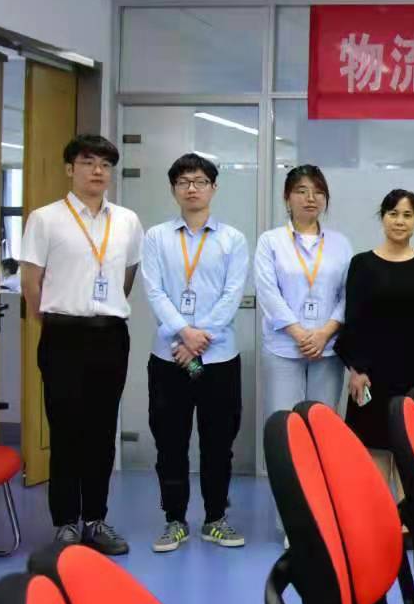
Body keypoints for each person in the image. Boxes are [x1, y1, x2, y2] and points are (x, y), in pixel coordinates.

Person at [20, 133, 143, 554]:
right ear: (70, 168)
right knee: (66, 431)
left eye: (105, 165)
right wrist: (55, 318)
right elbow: (31, 282)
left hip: (110, 336)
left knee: (102, 432)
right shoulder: (45, 219)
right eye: (88, 162)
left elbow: (127, 276)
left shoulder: (126, 220)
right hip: (63, 336)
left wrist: (103, 310)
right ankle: (65, 523)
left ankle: (95, 519)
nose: (97, 171)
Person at [140, 154, 249, 553]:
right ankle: (174, 520)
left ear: (213, 188)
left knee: (218, 443)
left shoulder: (232, 239)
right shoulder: (156, 237)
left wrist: (199, 338)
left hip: (217, 360)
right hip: (170, 359)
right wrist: (185, 334)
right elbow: (154, 291)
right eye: (184, 181)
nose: (192, 188)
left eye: (200, 181)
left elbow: (232, 294)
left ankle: (215, 519)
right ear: (173, 189)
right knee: (170, 442)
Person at [340, 189, 414, 500]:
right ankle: (380, 517)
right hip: (373, 372)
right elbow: (353, 318)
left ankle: (408, 518)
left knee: (412, 447)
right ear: (383, 217)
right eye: (393, 214)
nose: (400, 221)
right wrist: (356, 369)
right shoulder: (362, 264)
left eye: (407, 215)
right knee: (374, 448)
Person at [255, 165, 352, 420]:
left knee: (323, 423)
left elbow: (348, 295)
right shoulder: (271, 241)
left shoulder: (340, 243)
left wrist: (324, 333)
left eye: (318, 192)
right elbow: (268, 293)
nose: (311, 198)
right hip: (283, 346)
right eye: (301, 191)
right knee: (285, 424)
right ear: (287, 197)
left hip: (327, 347)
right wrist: (300, 334)